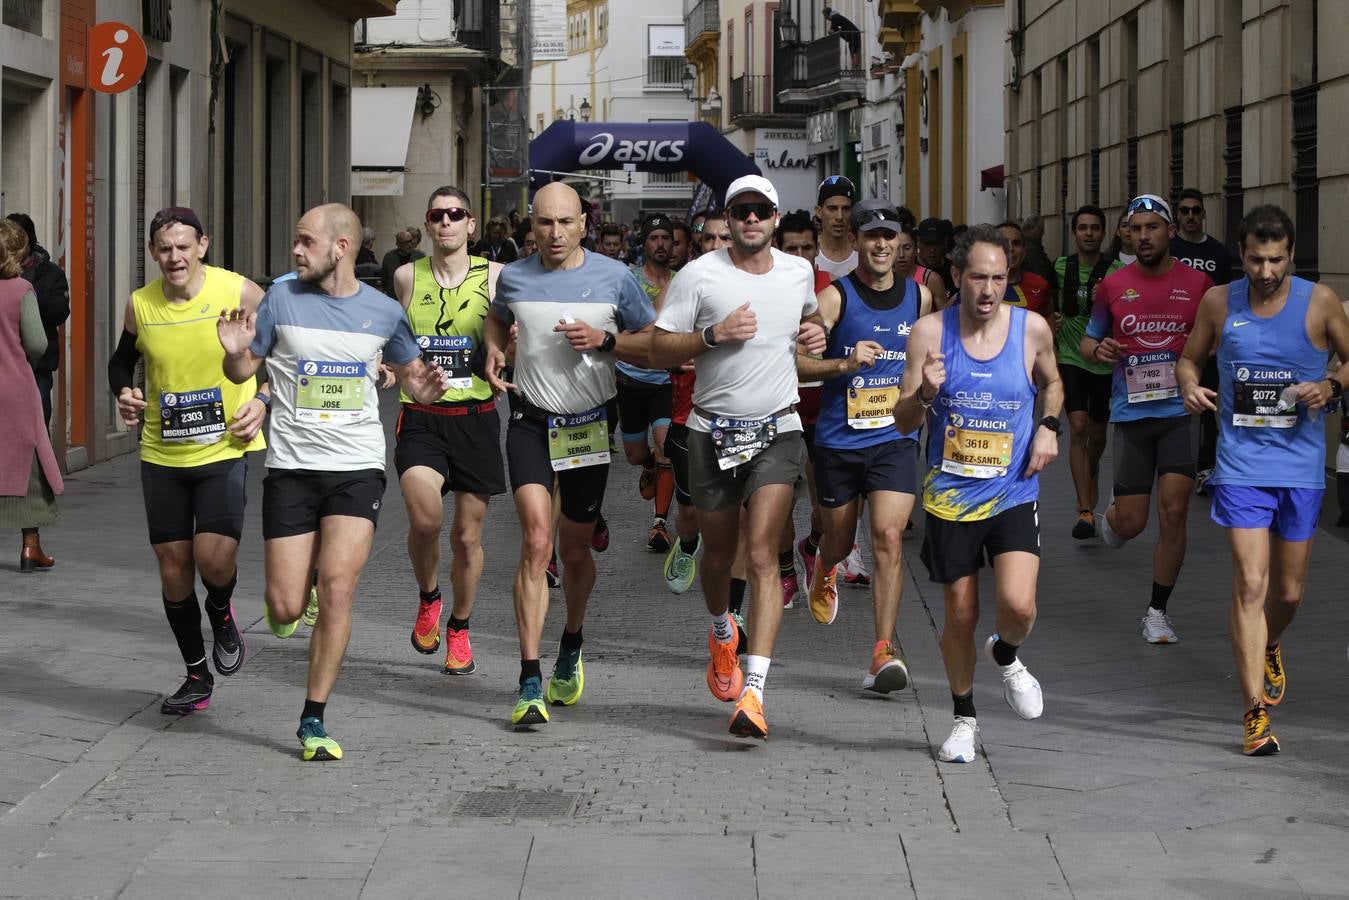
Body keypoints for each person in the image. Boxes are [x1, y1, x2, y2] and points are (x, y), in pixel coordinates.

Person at [216, 203, 452, 761]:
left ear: (340, 247)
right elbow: (244, 369)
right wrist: (233, 355)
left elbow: (408, 376)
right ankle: (299, 594)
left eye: (305, 241)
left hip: (357, 467)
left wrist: (422, 391)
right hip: (292, 468)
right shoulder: (280, 300)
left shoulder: (383, 311)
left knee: (340, 588)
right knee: (283, 607)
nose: (295, 250)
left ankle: (313, 718)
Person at [649, 173, 827, 740]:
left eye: (761, 211)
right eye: (741, 211)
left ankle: (754, 691)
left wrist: (816, 335)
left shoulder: (798, 272)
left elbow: (809, 320)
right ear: (728, 219)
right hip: (711, 432)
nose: (752, 219)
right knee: (720, 555)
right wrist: (712, 336)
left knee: (761, 551)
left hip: (778, 429)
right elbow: (658, 346)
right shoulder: (699, 275)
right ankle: (722, 630)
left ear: (775, 217)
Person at [1177, 204, 1349, 756]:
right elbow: (1188, 359)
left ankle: (1270, 640)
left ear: (1291, 255)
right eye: (1255, 260)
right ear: (1241, 254)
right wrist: (1189, 385)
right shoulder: (1218, 302)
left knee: (1289, 593)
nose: (1266, 271)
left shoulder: (1319, 302)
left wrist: (1332, 387)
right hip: (1242, 466)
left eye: (1276, 260)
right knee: (1251, 584)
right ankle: (1254, 713)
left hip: (1301, 469)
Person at [483, 182, 656, 730]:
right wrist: (493, 348)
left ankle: (572, 640)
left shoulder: (616, 277)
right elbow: (496, 317)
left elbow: (651, 340)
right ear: (530, 227)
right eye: (544, 223)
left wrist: (605, 341)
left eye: (565, 222)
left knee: (574, 550)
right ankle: (529, 679)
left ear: (584, 223)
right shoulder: (514, 276)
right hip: (530, 421)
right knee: (537, 542)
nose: (554, 233)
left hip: (587, 428)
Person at [894, 223, 1063, 764]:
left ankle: (1006, 654)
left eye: (998, 278)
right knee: (961, 614)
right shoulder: (928, 333)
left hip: (1013, 490)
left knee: (1019, 605)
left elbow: (1053, 382)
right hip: (951, 497)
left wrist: (1049, 427)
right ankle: (964, 718)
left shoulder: (1031, 329)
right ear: (956, 276)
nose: (989, 290)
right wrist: (925, 392)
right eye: (977, 278)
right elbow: (902, 422)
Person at [107, 207, 267, 715]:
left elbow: (282, 348)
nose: (174, 257)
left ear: (203, 245)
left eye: (183, 246)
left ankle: (220, 608)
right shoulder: (140, 304)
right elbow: (120, 362)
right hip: (162, 452)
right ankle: (197, 674)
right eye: (164, 248)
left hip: (224, 448)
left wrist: (263, 399)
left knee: (213, 560)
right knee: (173, 566)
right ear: (153, 252)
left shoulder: (238, 291)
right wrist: (125, 393)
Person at [797, 201, 933, 695]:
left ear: (899, 242)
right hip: (839, 442)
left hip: (895, 438)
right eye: (871, 235)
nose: (880, 244)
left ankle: (882, 651)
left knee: (889, 538)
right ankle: (823, 564)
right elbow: (797, 364)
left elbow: (929, 358)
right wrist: (844, 364)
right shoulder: (834, 298)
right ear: (854, 241)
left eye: (888, 235)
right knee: (838, 541)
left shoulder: (920, 297)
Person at [1080, 194, 1214, 644]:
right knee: (1132, 523)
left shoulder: (1198, 285)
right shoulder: (1113, 286)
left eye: (1152, 227)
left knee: (1174, 510)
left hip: (1180, 413)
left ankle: (1157, 612)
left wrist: (1204, 350)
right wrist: (1098, 350)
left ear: (1170, 231)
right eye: (1135, 228)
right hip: (1132, 415)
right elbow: (1088, 342)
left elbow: (1215, 336)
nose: (1142, 236)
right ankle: (1112, 518)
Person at [393, 186, 506, 676]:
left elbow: (510, 340)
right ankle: (429, 596)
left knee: (465, 537)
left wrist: (507, 353)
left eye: (455, 214)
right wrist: (396, 371)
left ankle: (459, 626)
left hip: (475, 417)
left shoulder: (496, 276)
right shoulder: (406, 276)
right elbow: (396, 341)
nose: (446, 222)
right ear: (427, 223)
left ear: (470, 224)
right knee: (425, 521)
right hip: (421, 418)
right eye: (437, 215)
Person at [663, 212, 732, 595]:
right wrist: (676, 357)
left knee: (738, 516)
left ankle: (732, 607)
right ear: (698, 244)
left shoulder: (757, 285)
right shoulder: (683, 285)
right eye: (709, 239)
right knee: (690, 512)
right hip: (687, 417)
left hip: (739, 418)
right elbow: (656, 345)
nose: (716, 245)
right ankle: (688, 543)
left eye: (724, 238)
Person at [1054, 204, 1122, 538]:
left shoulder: (1117, 271)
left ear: (1104, 232)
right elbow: (1047, 304)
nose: (1089, 234)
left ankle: (1089, 471)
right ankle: (1085, 510)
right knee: (1078, 427)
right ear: (1074, 233)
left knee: (1097, 434)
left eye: (1095, 228)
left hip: (1104, 362)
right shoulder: (1061, 267)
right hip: (1070, 357)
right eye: (1083, 228)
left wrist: (1108, 298)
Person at [0, 219, 63, 572]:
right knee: (29, 465)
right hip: (15, 388)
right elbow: (37, 343)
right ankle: (30, 546)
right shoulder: (21, 289)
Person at [618, 214, 680, 553]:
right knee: (635, 453)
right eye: (654, 238)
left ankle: (659, 523)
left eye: (665, 238)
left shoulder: (684, 281)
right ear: (645, 243)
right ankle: (647, 466)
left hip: (667, 380)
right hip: (631, 377)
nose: (660, 244)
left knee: (664, 444)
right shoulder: (629, 280)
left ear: (673, 243)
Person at [1170, 188, 1233, 495]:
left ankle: (1205, 468)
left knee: (1207, 404)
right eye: (1185, 211)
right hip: (1170, 340)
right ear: (1177, 215)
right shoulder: (1169, 248)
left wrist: (1221, 336)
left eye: (1196, 210)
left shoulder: (1219, 252)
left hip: (1208, 344)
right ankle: (1171, 464)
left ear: (1204, 213)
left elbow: (1227, 296)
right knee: (1173, 403)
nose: (1191, 216)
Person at [996, 221, 1054, 319]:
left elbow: (1049, 321)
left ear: (1024, 251)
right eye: (1003, 243)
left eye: (1016, 243)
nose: (1010, 248)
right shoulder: (979, 286)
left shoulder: (1040, 285)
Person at [815, 175, 858, 279]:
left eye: (846, 209)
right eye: (832, 208)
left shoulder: (863, 252)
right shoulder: (808, 249)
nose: (839, 217)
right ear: (819, 212)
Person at [917, 218, 957, 300]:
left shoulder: (953, 270)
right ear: (918, 242)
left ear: (945, 242)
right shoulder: (909, 268)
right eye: (927, 244)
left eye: (937, 243)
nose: (932, 249)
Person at [381, 228, 425, 297]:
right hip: (393, 296)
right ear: (398, 244)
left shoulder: (420, 257)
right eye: (406, 242)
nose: (409, 244)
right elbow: (384, 279)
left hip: (414, 295)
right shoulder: (389, 257)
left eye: (410, 241)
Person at [1020, 214, 1059, 288]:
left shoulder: (1026, 246)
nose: (1043, 233)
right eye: (1040, 229)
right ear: (1030, 228)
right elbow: (1041, 276)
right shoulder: (1031, 250)